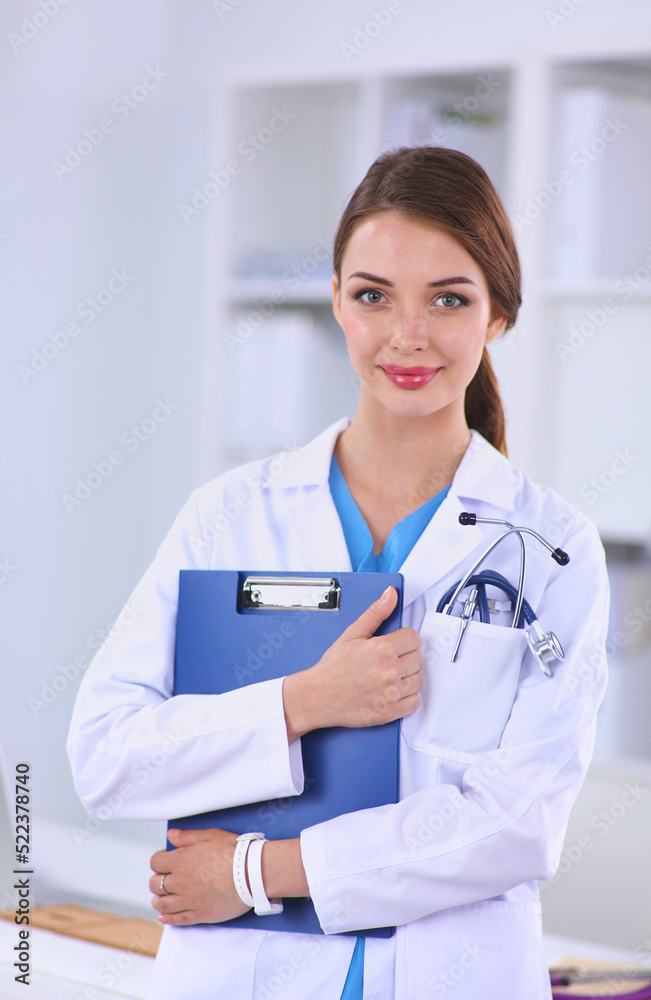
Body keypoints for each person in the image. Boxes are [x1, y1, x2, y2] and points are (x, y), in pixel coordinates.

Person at [67, 146, 609, 999]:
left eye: (448, 299)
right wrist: (300, 703)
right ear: (335, 302)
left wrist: (255, 872)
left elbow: (517, 827)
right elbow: (106, 760)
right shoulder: (230, 514)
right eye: (372, 296)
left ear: (497, 316)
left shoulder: (553, 547)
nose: (407, 335)